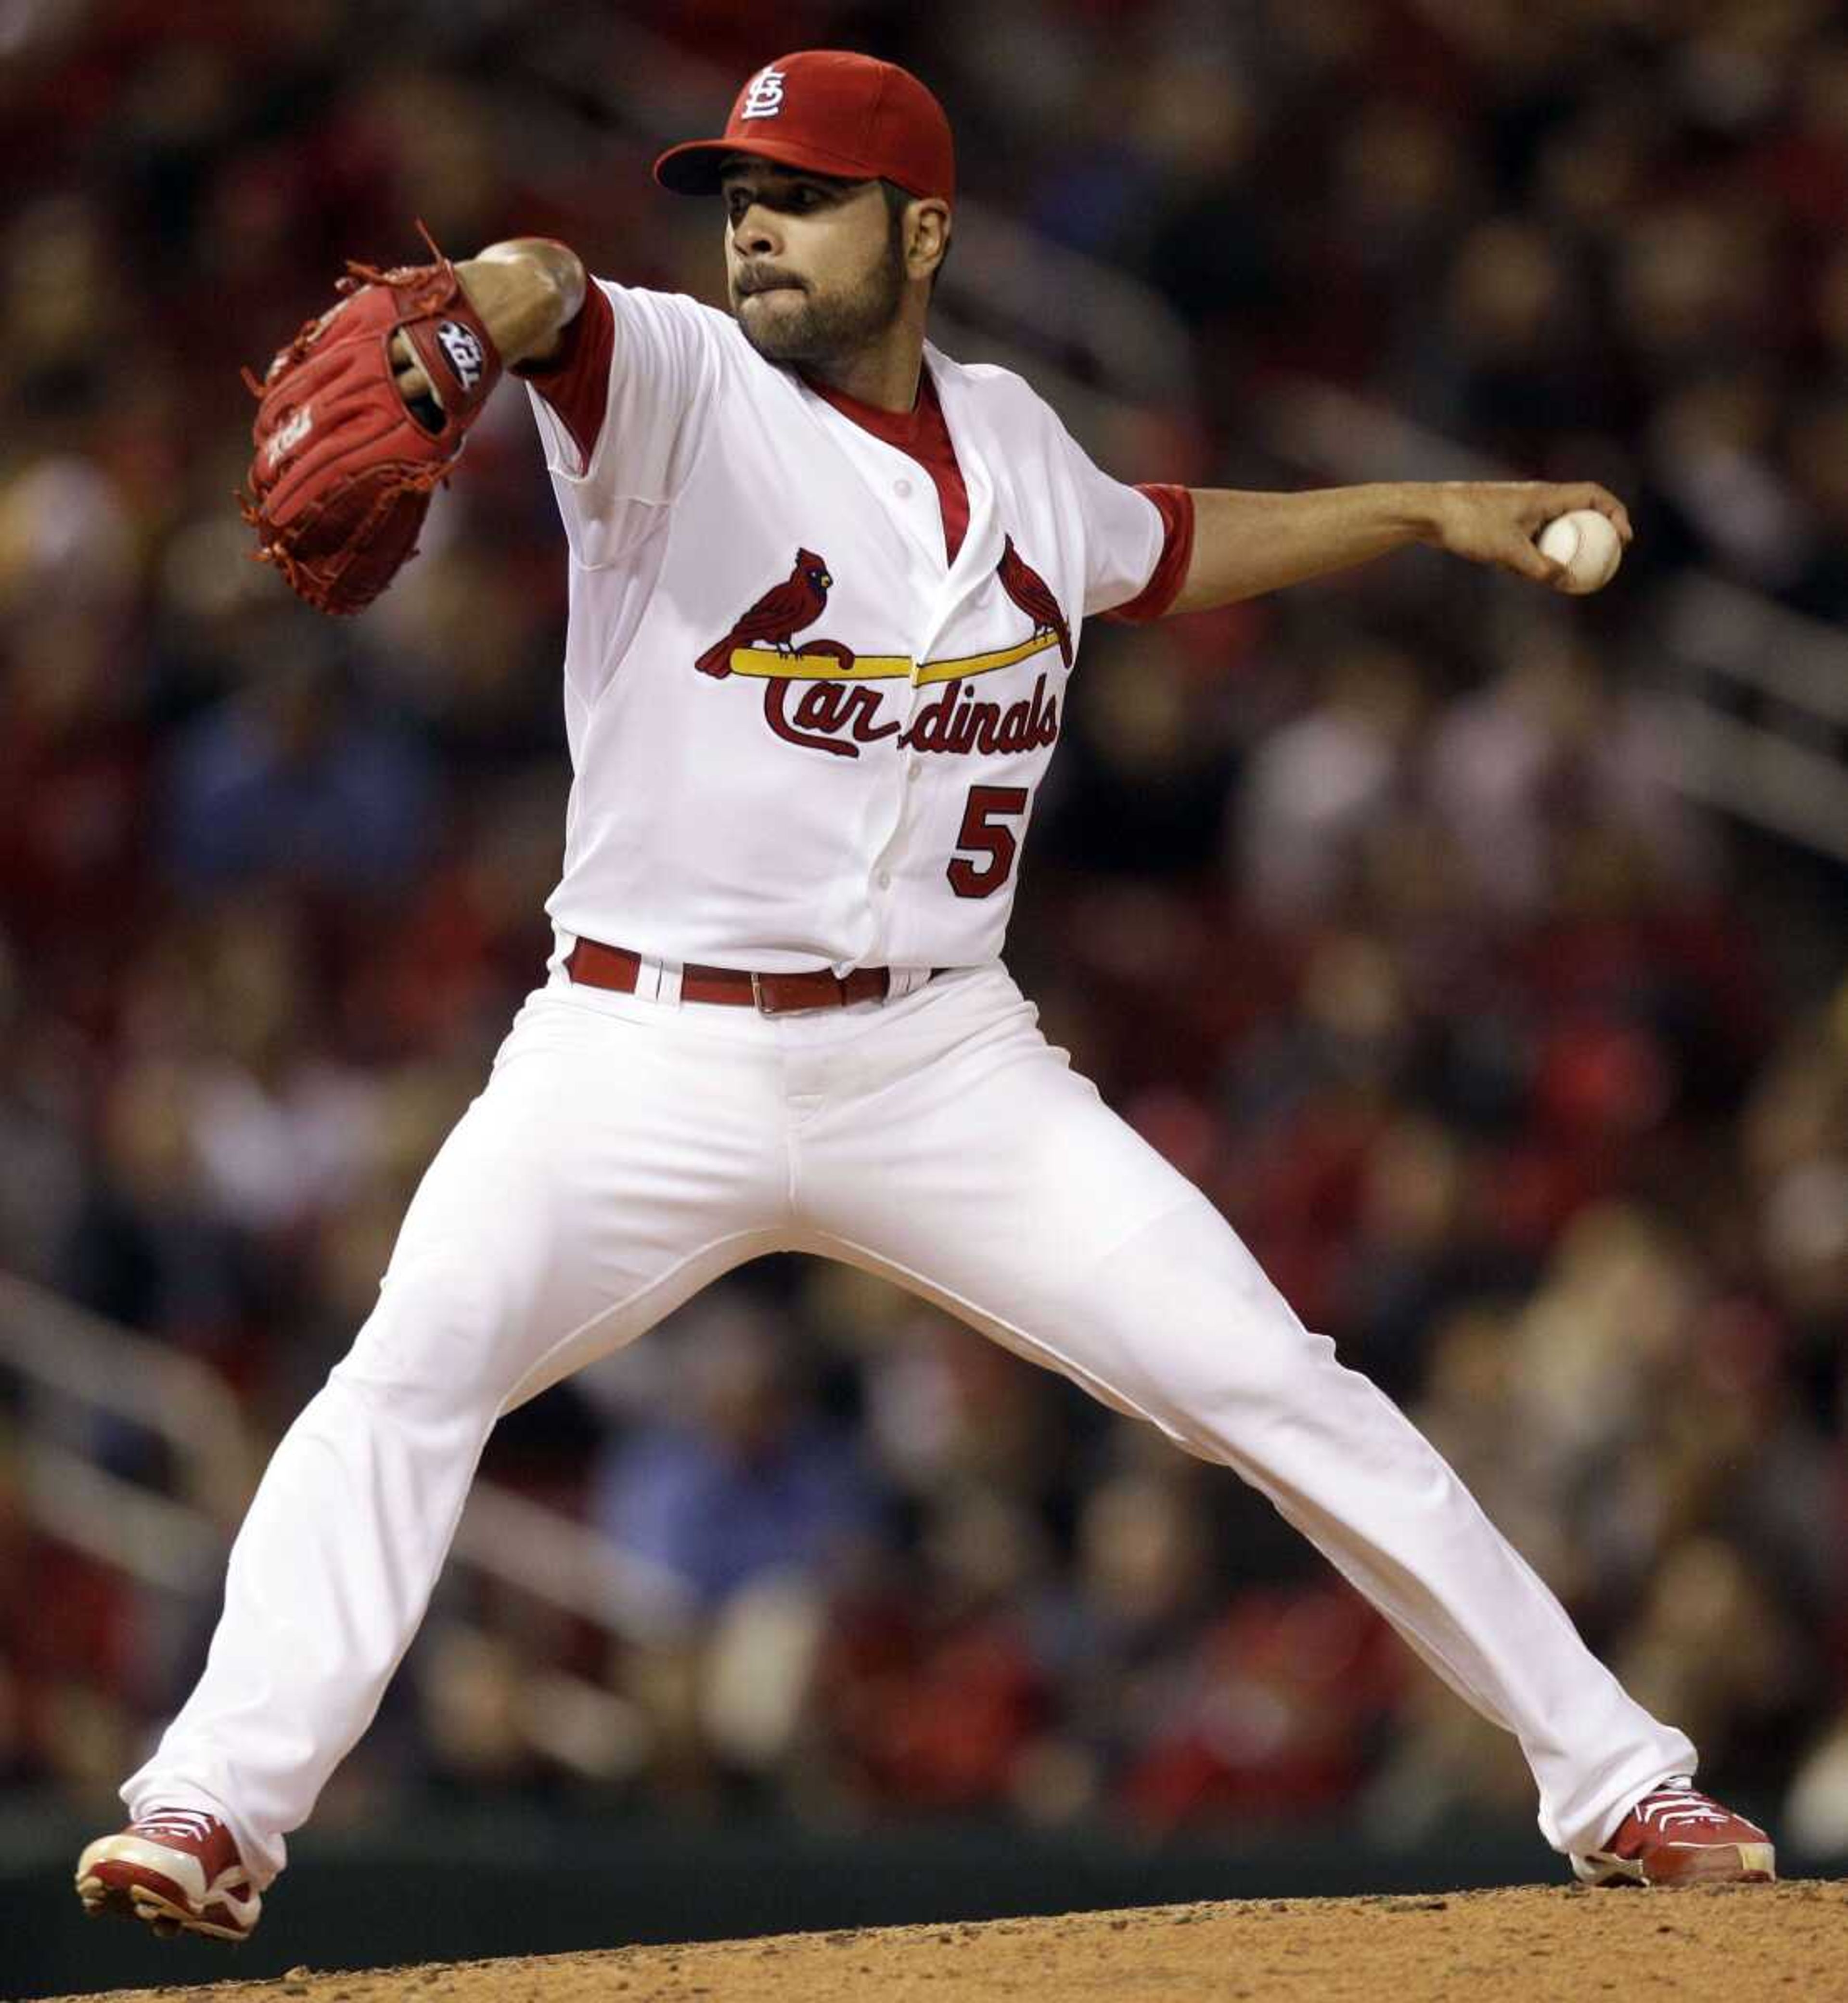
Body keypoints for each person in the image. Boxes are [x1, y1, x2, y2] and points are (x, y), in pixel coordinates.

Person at [76, 50, 1773, 1946]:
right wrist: (480, 303)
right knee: (411, 1374)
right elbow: (555, 294)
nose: (758, 235)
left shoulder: (1021, 446)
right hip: (641, 1047)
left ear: (925, 231)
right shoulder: (681, 386)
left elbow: (1169, 542)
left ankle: (1621, 1776)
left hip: (938, 1058)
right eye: (739, 201)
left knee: (1268, 1376)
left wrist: (1428, 508)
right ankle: (215, 1805)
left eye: (800, 200)